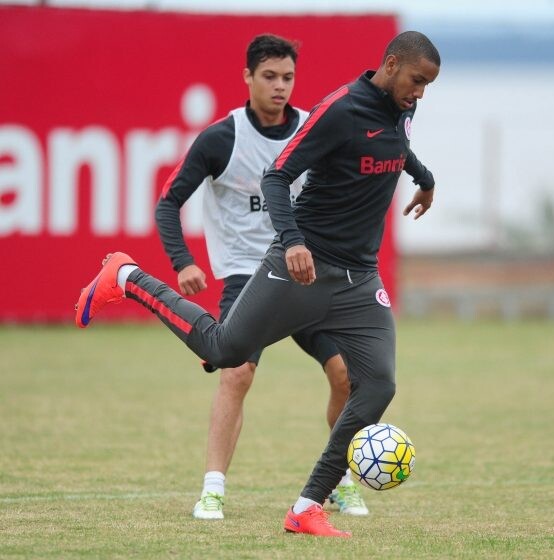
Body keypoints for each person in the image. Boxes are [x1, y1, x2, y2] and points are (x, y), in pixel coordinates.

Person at [75, 30, 440, 538]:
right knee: (227, 354)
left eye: (427, 86)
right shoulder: (339, 109)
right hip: (302, 268)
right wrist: (291, 241)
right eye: (418, 81)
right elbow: (275, 176)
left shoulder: (402, 105)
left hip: (360, 281)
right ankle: (127, 276)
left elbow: (397, 145)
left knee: (377, 383)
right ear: (392, 63)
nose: (421, 92)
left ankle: (308, 505)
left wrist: (425, 178)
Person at [155, 34, 368, 520]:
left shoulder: (313, 129)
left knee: (346, 375)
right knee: (237, 372)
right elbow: (168, 203)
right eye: (269, 76)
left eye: (288, 78)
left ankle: (337, 480)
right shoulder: (220, 139)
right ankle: (212, 490)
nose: (279, 86)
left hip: (307, 270)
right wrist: (182, 261)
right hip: (247, 275)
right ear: (247, 77)